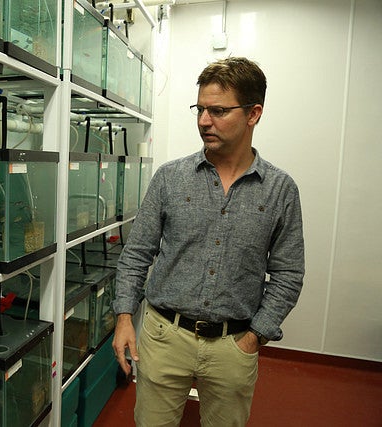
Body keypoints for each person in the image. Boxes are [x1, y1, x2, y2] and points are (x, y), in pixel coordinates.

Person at [112, 57, 305, 427]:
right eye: (199, 109)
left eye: (218, 110)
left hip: (233, 345)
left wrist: (254, 338)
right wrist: (124, 319)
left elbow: (288, 274)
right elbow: (137, 254)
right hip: (164, 335)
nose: (203, 121)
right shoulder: (170, 178)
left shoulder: (280, 190)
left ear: (254, 114)